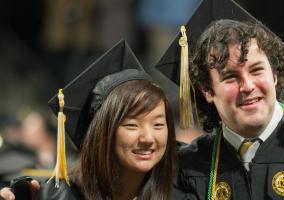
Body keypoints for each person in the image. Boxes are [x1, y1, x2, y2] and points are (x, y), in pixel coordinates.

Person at [152, 0, 284, 199]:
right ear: (207, 90)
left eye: (256, 70)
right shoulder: (189, 166)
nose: (247, 86)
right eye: (231, 77)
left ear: (274, 74)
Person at [0, 40, 178, 199]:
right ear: (100, 134)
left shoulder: (183, 191)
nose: (148, 138)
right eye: (132, 125)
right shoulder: (53, 196)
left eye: (158, 124)